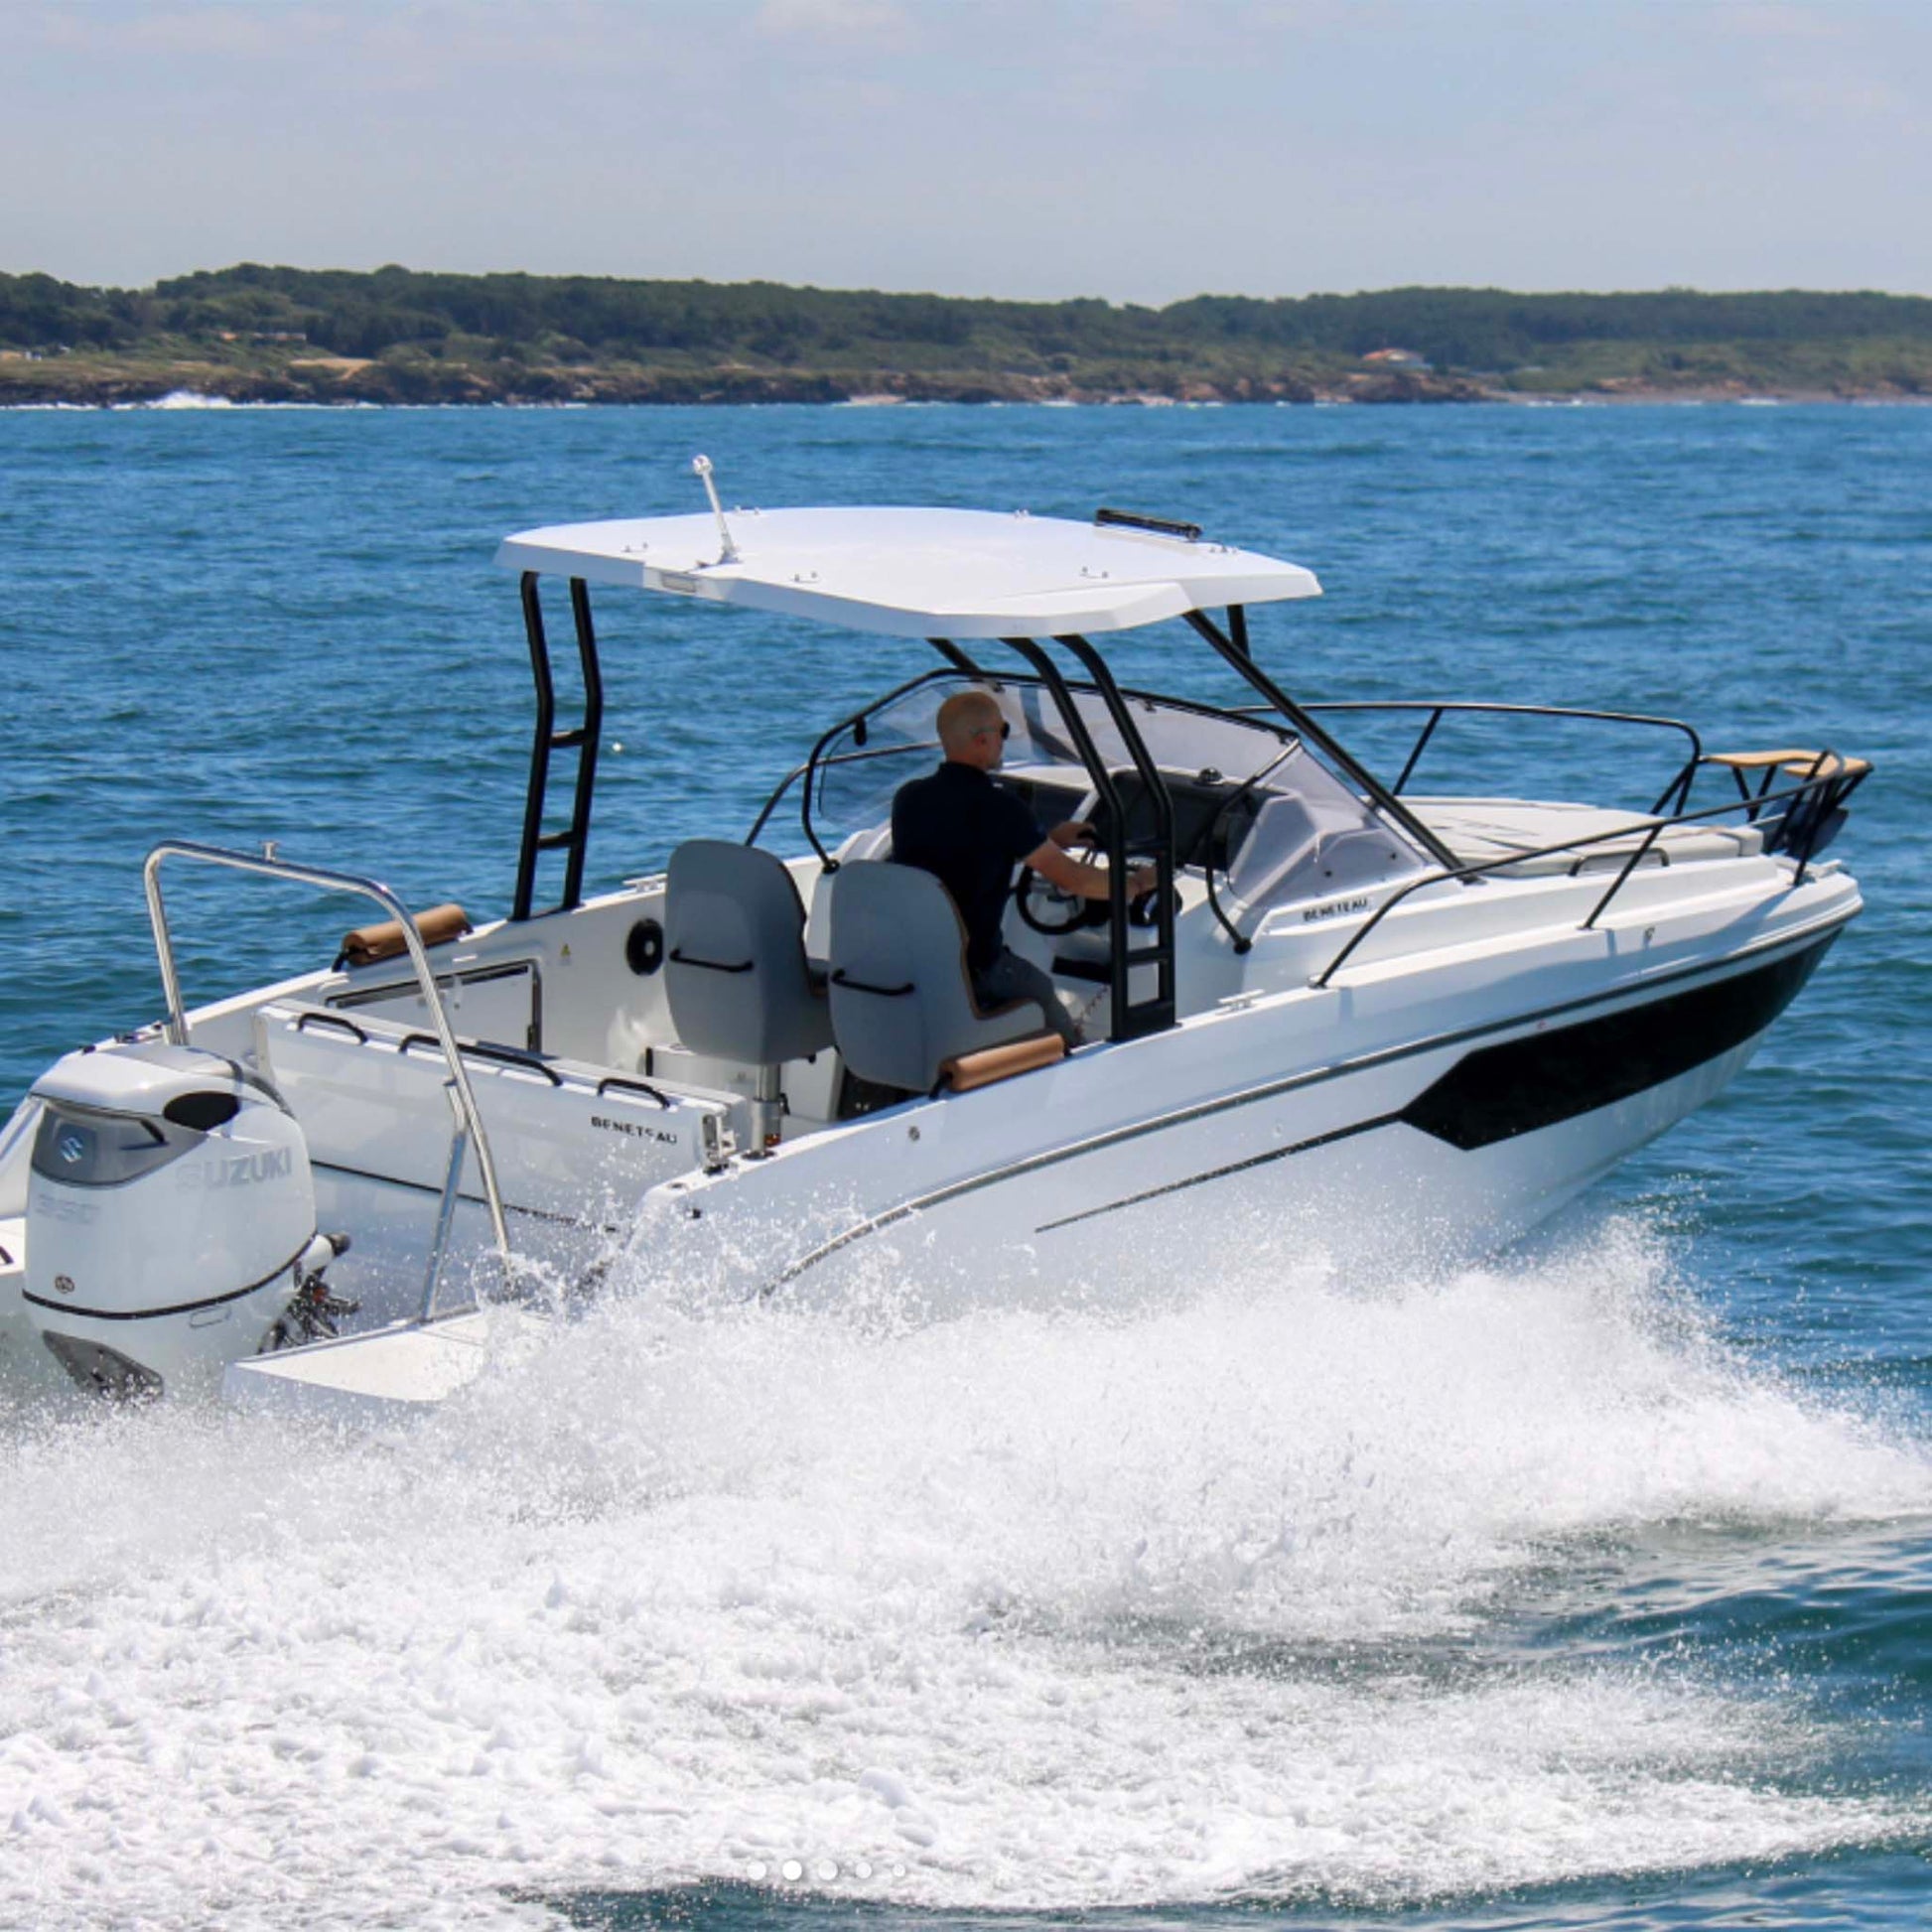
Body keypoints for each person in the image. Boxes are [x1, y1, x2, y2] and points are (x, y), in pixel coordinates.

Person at [891, 689, 1155, 1047]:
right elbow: (1074, 879)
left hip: (919, 960)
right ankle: (1071, 1066)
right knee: (1041, 990)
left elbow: (961, 849)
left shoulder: (909, 799)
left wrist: (1050, 840)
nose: (1004, 739)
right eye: (1002, 730)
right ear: (982, 739)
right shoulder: (1000, 808)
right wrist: (1137, 884)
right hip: (977, 970)